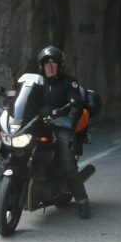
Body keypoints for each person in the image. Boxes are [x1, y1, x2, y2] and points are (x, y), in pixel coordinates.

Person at [37, 45, 91, 219]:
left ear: (59, 66)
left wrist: (69, 122)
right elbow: (23, 100)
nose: (50, 67)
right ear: (42, 66)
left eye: (53, 64)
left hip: (61, 126)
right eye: (47, 64)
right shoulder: (37, 82)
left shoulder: (69, 82)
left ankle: (82, 202)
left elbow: (76, 104)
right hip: (38, 125)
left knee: (67, 162)